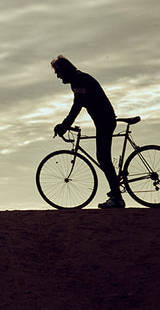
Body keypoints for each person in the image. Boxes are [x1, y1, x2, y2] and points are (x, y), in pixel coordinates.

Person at [51, 55, 124, 208]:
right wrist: (66, 124)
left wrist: (64, 125)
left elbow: (77, 106)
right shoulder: (77, 80)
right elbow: (78, 105)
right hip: (103, 121)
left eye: (58, 72)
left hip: (105, 121)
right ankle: (115, 188)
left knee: (103, 158)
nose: (57, 76)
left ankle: (117, 198)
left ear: (65, 69)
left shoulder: (79, 79)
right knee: (103, 157)